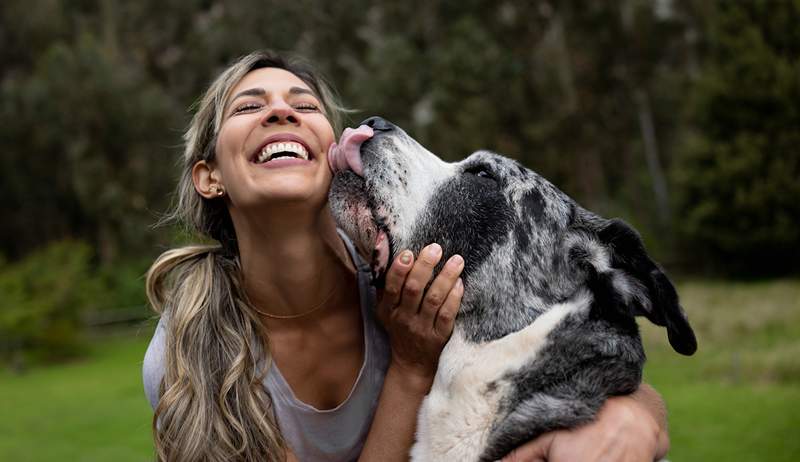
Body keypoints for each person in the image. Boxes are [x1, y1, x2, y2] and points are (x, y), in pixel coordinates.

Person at [143, 50, 670, 462]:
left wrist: (629, 419)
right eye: (249, 105)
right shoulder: (188, 354)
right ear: (208, 176)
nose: (281, 111)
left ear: (333, 152)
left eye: (304, 106)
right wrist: (411, 365)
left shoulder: (417, 272)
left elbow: (584, 359)